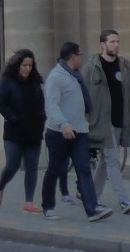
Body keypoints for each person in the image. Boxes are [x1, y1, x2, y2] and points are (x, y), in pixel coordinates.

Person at [40, 41, 112, 222]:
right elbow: (51, 105)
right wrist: (64, 124)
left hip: (79, 132)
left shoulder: (75, 76)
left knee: (84, 169)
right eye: (80, 55)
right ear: (73, 56)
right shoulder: (56, 77)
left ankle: (92, 209)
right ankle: (48, 206)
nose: (82, 58)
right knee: (54, 170)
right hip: (59, 133)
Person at [82, 29, 130, 214]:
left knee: (106, 162)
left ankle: (92, 195)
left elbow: (129, 96)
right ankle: (124, 200)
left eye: (117, 41)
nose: (116, 45)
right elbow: (82, 96)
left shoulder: (124, 66)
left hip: (117, 120)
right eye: (112, 41)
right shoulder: (92, 68)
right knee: (113, 159)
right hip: (101, 122)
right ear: (102, 45)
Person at [0, 49, 45, 214]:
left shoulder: (35, 82)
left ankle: (29, 202)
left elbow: (41, 103)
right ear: (17, 65)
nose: (27, 69)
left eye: (30, 65)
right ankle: (0, 187)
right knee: (12, 165)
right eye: (24, 65)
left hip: (34, 131)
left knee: (32, 167)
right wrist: (12, 117)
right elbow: (0, 103)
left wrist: (42, 119)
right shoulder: (8, 81)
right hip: (14, 132)